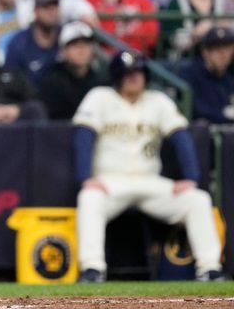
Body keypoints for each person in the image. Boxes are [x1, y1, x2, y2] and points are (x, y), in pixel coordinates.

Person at [73, 50, 223, 282]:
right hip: (111, 181)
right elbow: (83, 136)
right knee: (89, 197)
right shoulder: (100, 97)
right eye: (128, 73)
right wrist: (86, 176)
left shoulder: (158, 101)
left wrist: (191, 177)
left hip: (150, 181)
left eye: (139, 72)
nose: (134, 77)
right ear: (117, 76)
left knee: (198, 199)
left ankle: (210, 268)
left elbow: (180, 136)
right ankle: (92, 269)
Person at [40, 21, 104, 120]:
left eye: (86, 44)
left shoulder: (100, 81)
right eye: (75, 45)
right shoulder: (52, 81)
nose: (81, 50)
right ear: (63, 51)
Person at [4, 0, 61, 88]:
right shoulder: (19, 43)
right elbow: (11, 81)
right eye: (46, 7)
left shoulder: (66, 36)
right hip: (29, 99)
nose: (52, 12)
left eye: (55, 6)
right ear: (35, 10)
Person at [178, 27, 234, 124]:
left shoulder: (228, 78)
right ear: (205, 52)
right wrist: (225, 115)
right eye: (217, 50)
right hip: (201, 133)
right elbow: (196, 110)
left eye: (227, 49)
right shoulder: (190, 74)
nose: (223, 55)